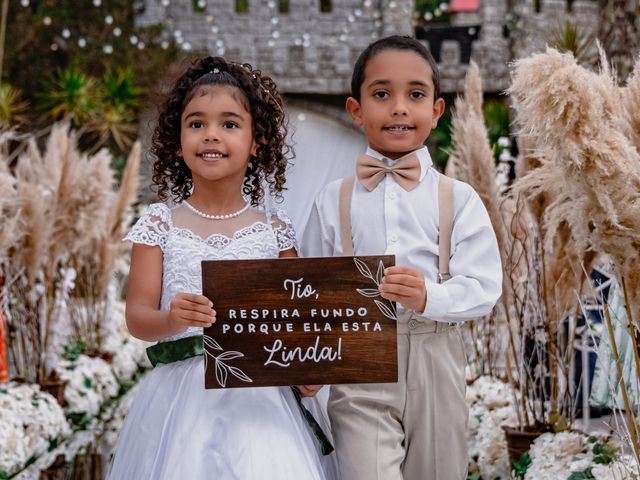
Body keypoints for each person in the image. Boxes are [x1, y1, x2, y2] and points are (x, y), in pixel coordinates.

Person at [107, 56, 337, 480]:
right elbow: (138, 318)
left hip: (262, 403)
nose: (211, 134)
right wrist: (172, 318)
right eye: (196, 124)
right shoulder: (160, 224)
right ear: (177, 142)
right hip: (180, 400)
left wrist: (307, 370)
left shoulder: (275, 231)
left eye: (229, 124)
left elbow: (298, 317)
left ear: (257, 142)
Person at [302, 35, 502, 480]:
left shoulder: (460, 198)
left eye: (414, 95)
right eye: (381, 94)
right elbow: (311, 290)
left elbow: (485, 287)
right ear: (356, 110)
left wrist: (429, 295)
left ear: (436, 110)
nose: (398, 108)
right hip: (360, 361)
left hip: (436, 353)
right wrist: (310, 361)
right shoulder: (332, 200)